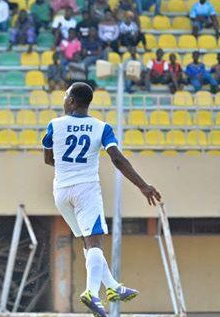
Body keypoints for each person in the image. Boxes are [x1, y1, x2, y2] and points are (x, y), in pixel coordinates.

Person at [42, 82, 161, 317]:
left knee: (89, 244)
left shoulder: (54, 125)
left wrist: (70, 168)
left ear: (73, 101)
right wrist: (142, 185)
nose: (64, 100)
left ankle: (114, 287)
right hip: (86, 190)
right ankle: (91, 293)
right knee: (94, 243)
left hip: (61, 192)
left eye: (66, 96)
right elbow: (117, 159)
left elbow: (48, 159)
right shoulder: (101, 127)